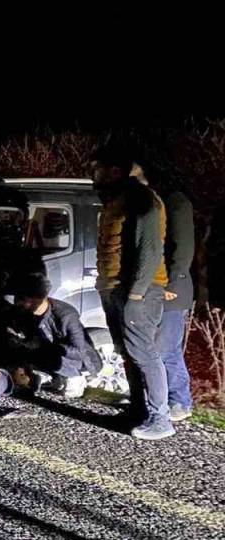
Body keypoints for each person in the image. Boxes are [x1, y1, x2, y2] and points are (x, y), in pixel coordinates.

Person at [90, 146, 173, 440]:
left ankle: (160, 417)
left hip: (138, 292)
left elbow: (148, 250)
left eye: (97, 168)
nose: (93, 174)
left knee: (143, 352)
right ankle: (139, 411)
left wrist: (136, 295)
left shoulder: (141, 199)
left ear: (115, 171)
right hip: (115, 289)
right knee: (128, 353)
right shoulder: (117, 199)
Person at [135, 165, 195, 422]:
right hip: (156, 286)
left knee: (167, 347)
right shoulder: (154, 202)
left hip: (171, 290)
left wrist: (174, 281)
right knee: (155, 346)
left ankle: (179, 400)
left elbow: (183, 245)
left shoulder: (175, 201)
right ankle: (160, 398)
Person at [0, 274, 102, 399]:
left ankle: (74, 378)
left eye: (21, 299)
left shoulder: (66, 315)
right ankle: (46, 376)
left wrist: (45, 347)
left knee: (49, 357)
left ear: (35, 299)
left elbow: (79, 352)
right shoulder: (25, 312)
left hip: (74, 360)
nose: (17, 302)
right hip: (47, 353)